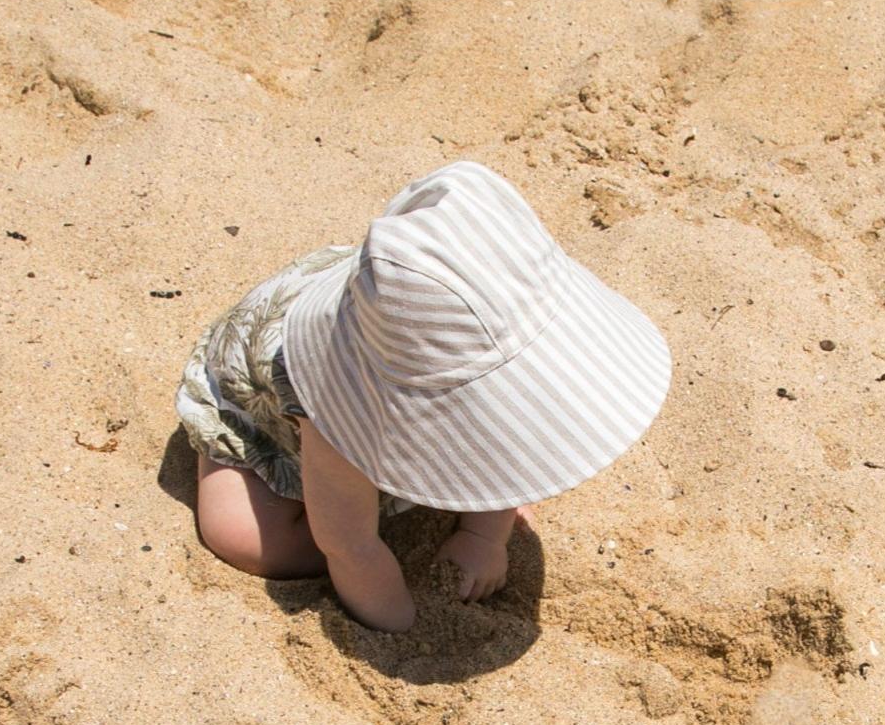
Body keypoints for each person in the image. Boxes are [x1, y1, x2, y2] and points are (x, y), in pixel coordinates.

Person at [175, 160, 671, 632]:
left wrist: (485, 535)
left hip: (411, 325)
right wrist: (402, 625)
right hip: (261, 417)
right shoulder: (332, 409)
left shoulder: (476, 294)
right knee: (249, 539)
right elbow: (348, 544)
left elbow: (513, 429)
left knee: (509, 429)